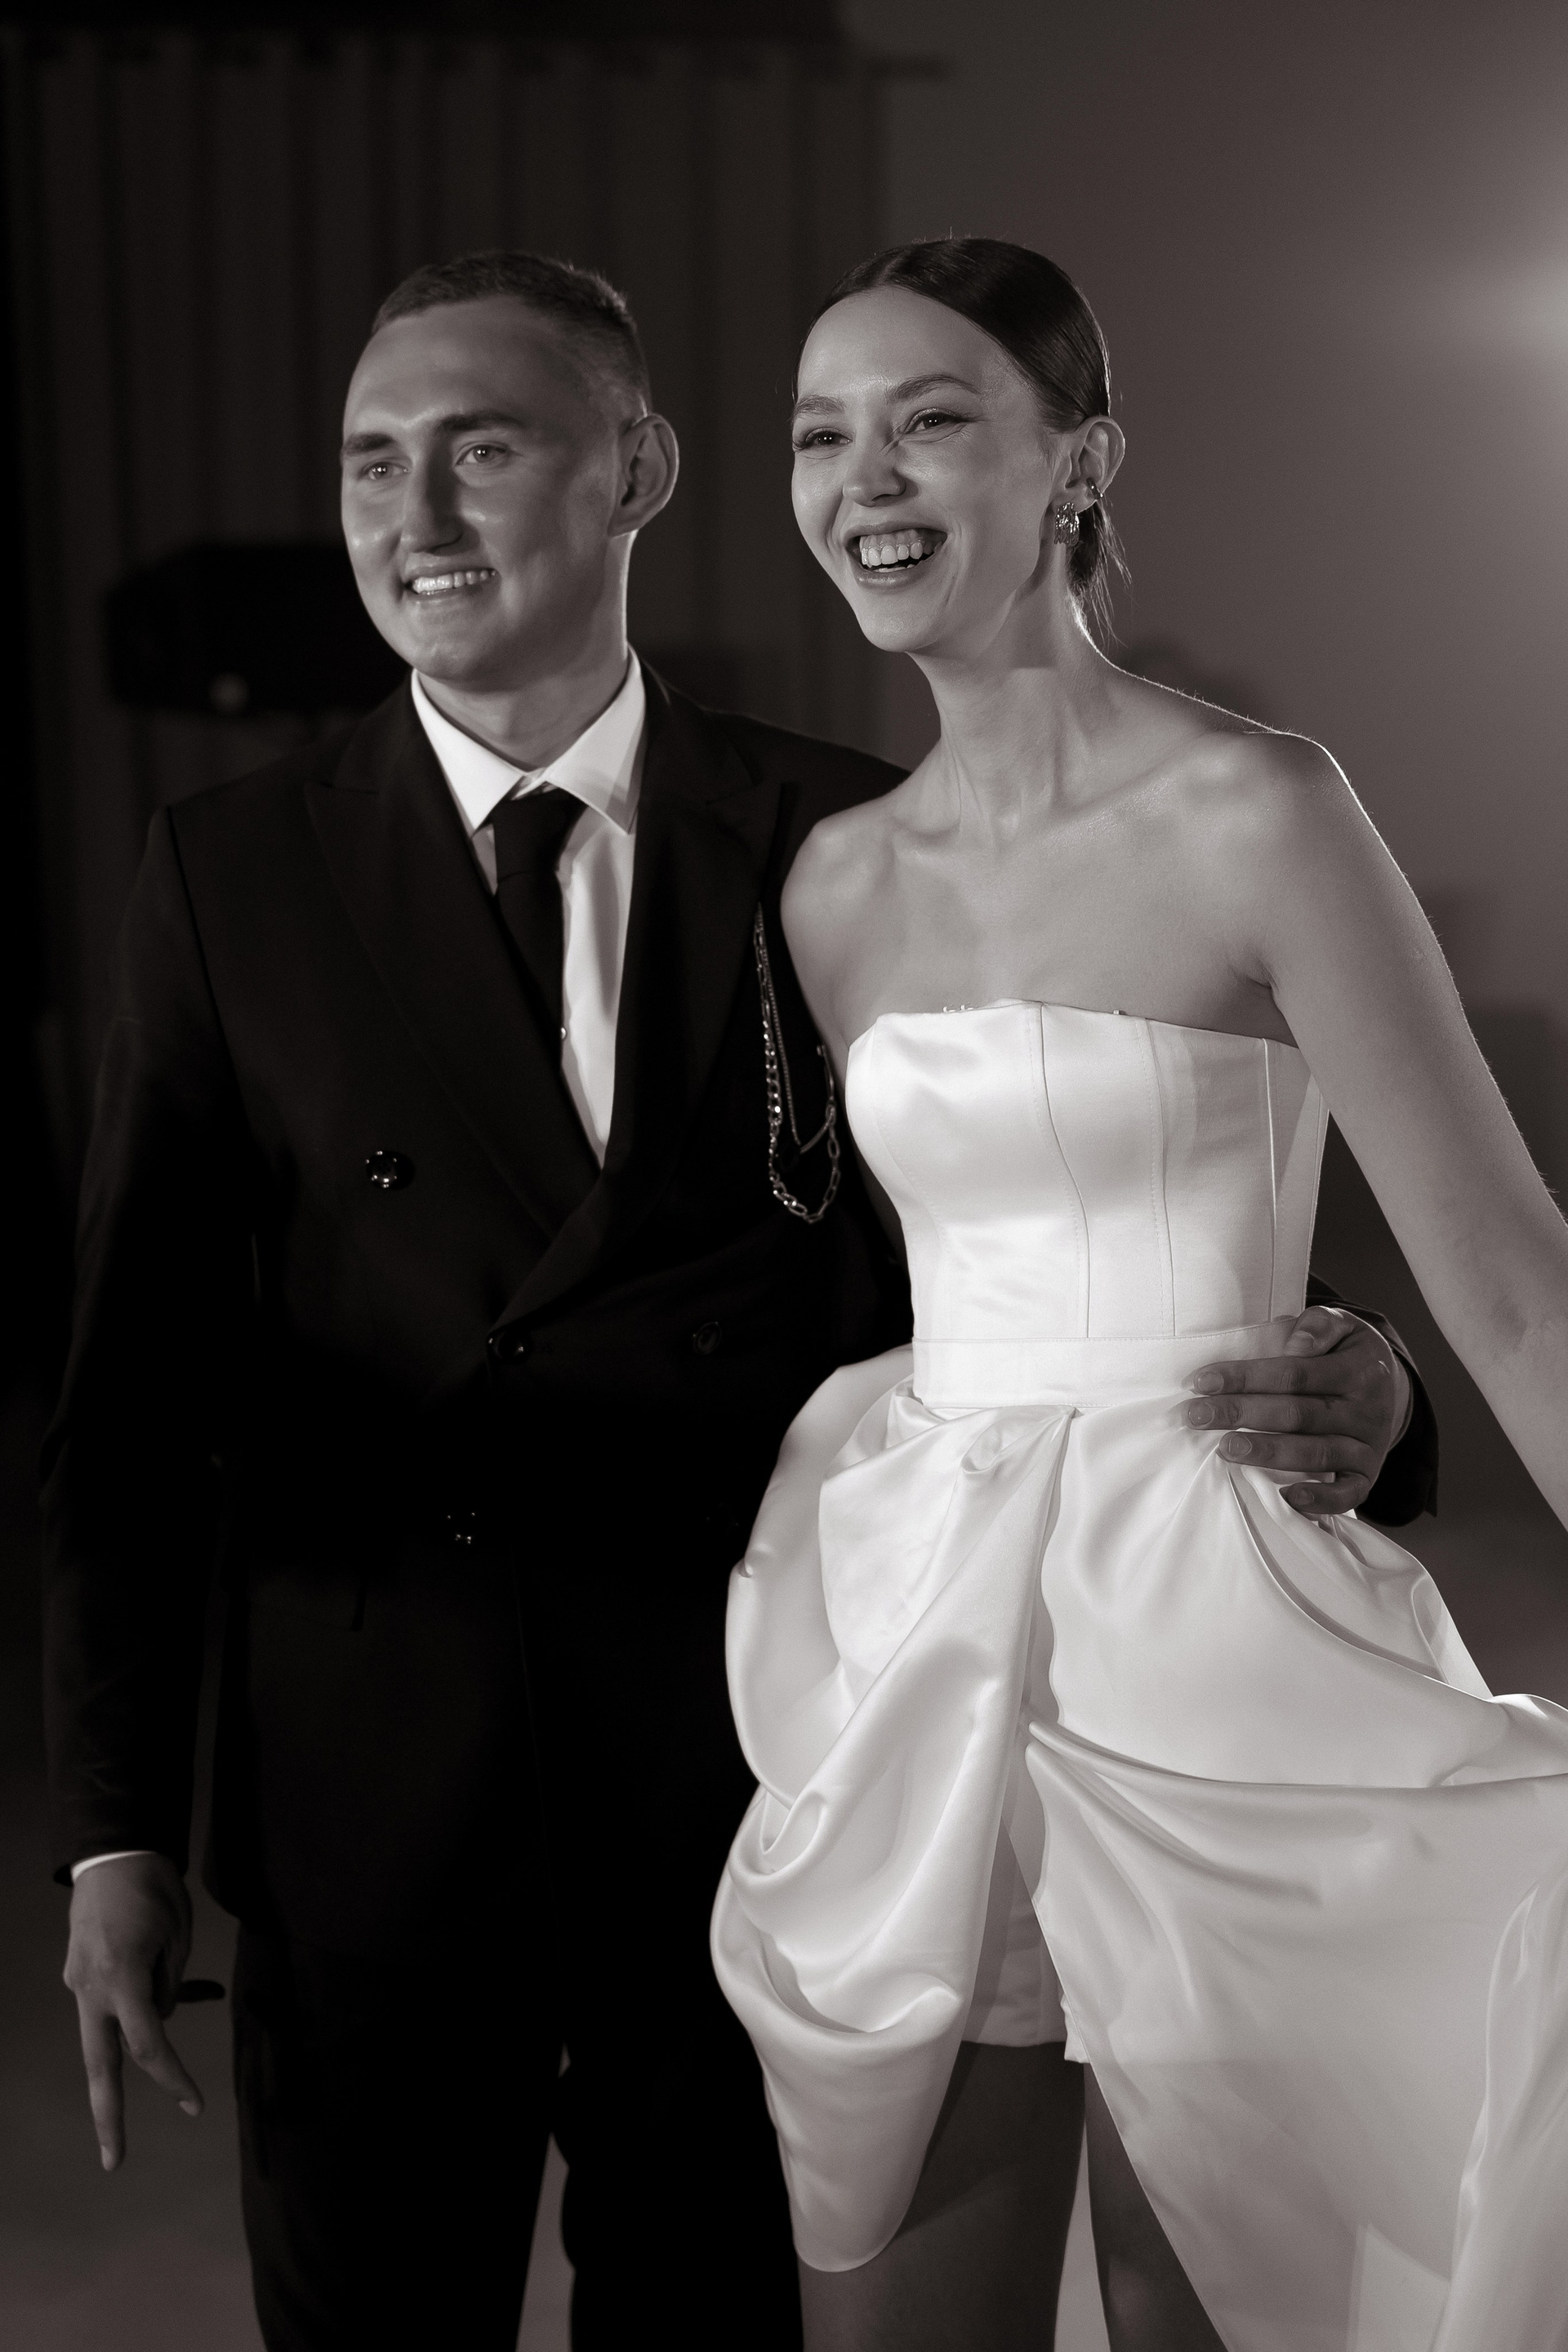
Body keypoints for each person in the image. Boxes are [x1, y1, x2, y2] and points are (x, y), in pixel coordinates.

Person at [43, 249, 1427, 2352]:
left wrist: (1365, 1376)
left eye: (482, 451)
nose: (417, 517)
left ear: (638, 471)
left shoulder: (833, 836)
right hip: (366, 1806)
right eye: (371, 464)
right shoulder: (228, 873)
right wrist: (115, 1834)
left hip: (747, 1769)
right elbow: (134, 1397)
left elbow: (1045, 1212)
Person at [711, 238, 1568, 2352]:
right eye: (821, 435)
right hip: (920, 1646)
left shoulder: (1259, 808)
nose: (864, 478)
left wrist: (1378, 1373)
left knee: (1233, 2303)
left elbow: (1519, 1300)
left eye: (931, 420)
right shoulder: (830, 888)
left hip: (1218, 1639)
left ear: (1080, 463)